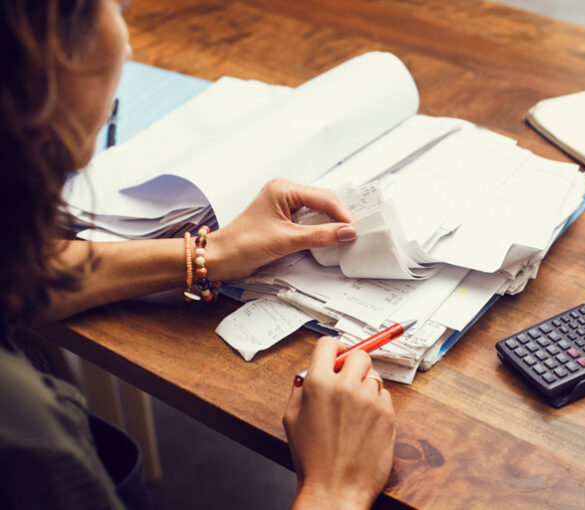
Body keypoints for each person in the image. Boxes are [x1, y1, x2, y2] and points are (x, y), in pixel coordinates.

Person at [0, 0, 395, 508]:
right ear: (40, 51)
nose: (125, 40)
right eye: (115, 6)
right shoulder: (24, 437)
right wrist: (335, 488)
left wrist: (208, 253)